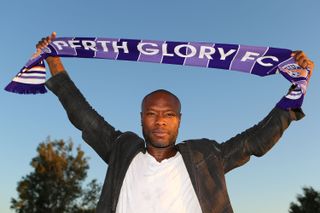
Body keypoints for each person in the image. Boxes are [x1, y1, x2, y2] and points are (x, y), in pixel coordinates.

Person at [38, 32, 314, 213]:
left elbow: (255, 140)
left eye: (168, 114)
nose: (160, 121)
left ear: (179, 120)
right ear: (141, 118)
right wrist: (54, 62)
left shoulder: (205, 157)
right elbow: (84, 116)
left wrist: (296, 90)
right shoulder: (122, 149)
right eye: (152, 113)